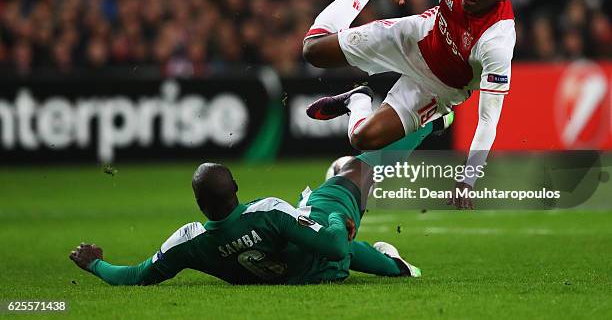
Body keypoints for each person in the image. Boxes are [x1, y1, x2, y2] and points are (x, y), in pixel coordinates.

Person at [68, 119, 451, 285]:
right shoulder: (267, 211)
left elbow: (136, 275)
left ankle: (397, 266)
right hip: (323, 264)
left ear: (200, 205)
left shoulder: (189, 243)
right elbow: (335, 246)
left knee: (335, 198)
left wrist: (96, 263)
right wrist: (336, 220)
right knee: (352, 169)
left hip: (302, 267)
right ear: (235, 185)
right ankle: (433, 123)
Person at [302, 0, 519, 209]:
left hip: (436, 88)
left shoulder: (498, 42)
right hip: (413, 37)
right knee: (313, 50)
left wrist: (468, 178)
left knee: (362, 139)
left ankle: (357, 99)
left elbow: (488, 119)